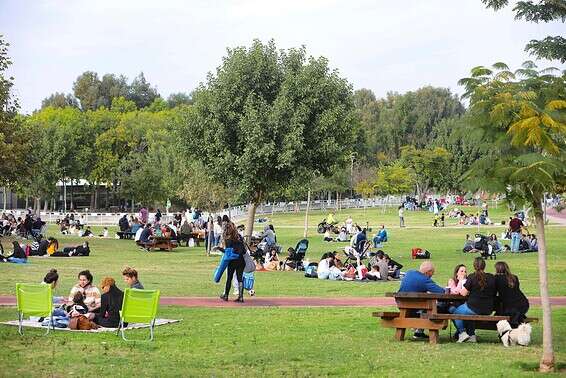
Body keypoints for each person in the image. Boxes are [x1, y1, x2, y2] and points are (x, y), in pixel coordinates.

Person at [451, 257, 497, 343]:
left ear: (474, 266)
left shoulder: (472, 277)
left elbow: (463, 293)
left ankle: (462, 333)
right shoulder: (491, 277)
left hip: (473, 307)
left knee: (455, 312)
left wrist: (461, 281)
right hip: (488, 309)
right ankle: (472, 335)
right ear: (484, 266)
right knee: (468, 315)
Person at [398, 261, 445, 339]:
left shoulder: (409, 273)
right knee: (437, 307)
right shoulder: (425, 280)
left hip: (401, 306)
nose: (431, 276)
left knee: (425, 305)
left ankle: (419, 332)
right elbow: (441, 292)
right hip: (414, 310)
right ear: (428, 272)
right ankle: (426, 332)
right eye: (431, 274)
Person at [494, 261, 529, 327]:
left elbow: (494, 293)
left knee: (500, 315)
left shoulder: (496, 278)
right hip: (523, 304)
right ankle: (518, 317)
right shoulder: (514, 277)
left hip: (511, 307)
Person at [219, 222, 246, 302]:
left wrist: (219, 248)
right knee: (240, 278)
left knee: (229, 278)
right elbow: (243, 250)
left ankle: (226, 295)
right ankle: (241, 297)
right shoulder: (239, 237)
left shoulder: (228, 239)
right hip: (241, 260)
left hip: (232, 261)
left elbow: (227, 252)